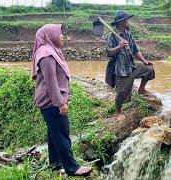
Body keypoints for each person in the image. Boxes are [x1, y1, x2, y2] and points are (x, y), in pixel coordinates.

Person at [31, 24, 92, 177]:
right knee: (62, 133)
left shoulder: (50, 51)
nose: (63, 36)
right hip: (51, 102)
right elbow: (51, 82)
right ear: (50, 35)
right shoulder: (46, 55)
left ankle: (55, 163)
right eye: (60, 33)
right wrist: (60, 102)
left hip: (50, 101)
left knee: (54, 133)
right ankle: (72, 168)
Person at [105, 10, 155, 116]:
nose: (128, 21)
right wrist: (119, 46)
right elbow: (109, 52)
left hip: (130, 66)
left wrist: (144, 61)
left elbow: (135, 50)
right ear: (121, 22)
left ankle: (141, 89)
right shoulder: (112, 35)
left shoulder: (128, 34)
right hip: (120, 69)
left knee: (149, 69)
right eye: (126, 19)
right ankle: (118, 112)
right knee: (121, 92)